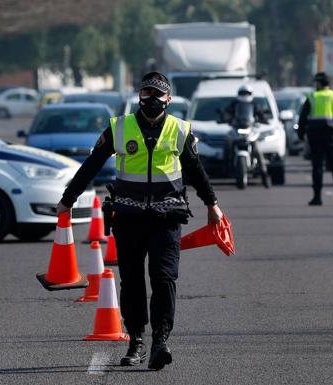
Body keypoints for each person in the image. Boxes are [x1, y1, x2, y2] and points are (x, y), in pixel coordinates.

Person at [57, 71, 223, 370]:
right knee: (132, 281)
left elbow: (196, 172)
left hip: (166, 217)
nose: (152, 100)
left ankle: (161, 340)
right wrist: (68, 200)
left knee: (164, 279)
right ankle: (136, 340)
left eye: (158, 95)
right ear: (139, 97)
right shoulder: (119, 128)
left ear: (168, 99)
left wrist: (212, 204)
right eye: (147, 94)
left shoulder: (180, 129)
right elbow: (92, 165)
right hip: (129, 217)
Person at [297, 72, 333, 206]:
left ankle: (317, 197)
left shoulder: (313, 97)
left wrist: (301, 134)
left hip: (316, 136)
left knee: (317, 166)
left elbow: (303, 118)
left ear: (319, 83)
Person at [221, 84, 270, 188]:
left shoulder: (254, 104)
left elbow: (261, 114)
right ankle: (226, 166)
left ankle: (264, 174)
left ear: (251, 94)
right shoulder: (234, 104)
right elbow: (226, 113)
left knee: (257, 150)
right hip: (236, 129)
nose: (245, 95)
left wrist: (263, 119)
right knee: (227, 143)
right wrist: (224, 118)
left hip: (250, 129)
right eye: (243, 93)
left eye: (247, 93)